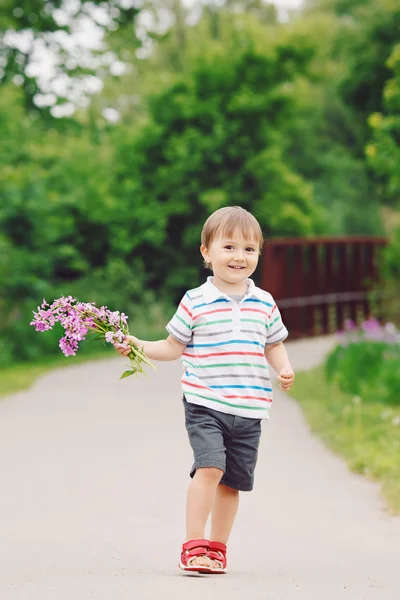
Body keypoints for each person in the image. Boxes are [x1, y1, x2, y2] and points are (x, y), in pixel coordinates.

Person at [114, 206, 295, 574]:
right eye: (228, 247)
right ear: (206, 252)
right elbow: (172, 346)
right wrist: (136, 345)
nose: (239, 257)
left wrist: (284, 367)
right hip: (205, 402)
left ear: (259, 254)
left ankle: (217, 549)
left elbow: (273, 343)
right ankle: (193, 545)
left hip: (250, 408)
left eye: (249, 249)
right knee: (210, 468)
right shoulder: (195, 301)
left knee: (233, 483)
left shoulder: (264, 303)